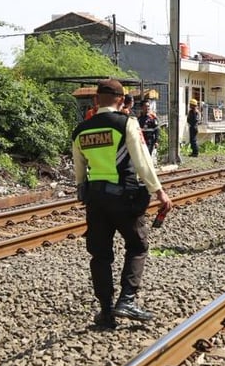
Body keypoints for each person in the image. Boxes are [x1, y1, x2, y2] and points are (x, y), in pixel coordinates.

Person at [72, 78, 172, 329]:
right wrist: (159, 191)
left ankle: (106, 311)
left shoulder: (81, 129)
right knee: (137, 245)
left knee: (100, 255)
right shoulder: (126, 123)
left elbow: (79, 169)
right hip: (124, 197)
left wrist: (84, 188)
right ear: (121, 100)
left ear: (96, 100)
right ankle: (126, 299)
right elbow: (142, 161)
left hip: (96, 200)